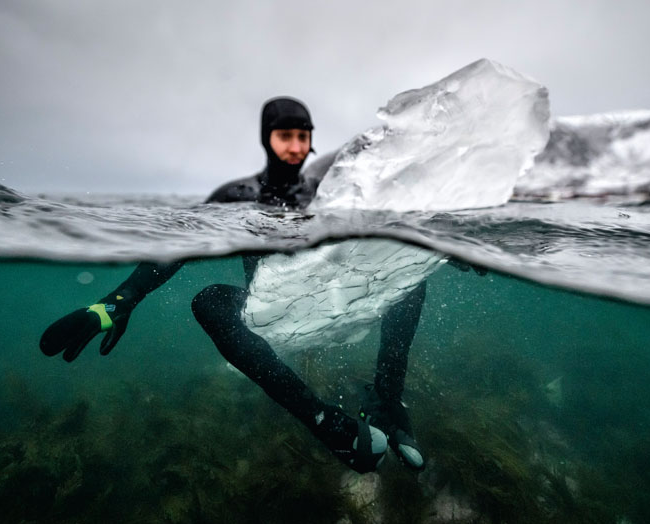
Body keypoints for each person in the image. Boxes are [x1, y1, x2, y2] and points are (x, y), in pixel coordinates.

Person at [41, 97, 447, 474]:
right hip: (276, 314)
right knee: (210, 302)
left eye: (302, 136)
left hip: (335, 300)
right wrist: (122, 298)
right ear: (266, 139)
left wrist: (451, 248)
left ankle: (388, 401)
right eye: (284, 136)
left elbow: (406, 227)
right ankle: (325, 422)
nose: (294, 146)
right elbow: (181, 246)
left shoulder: (329, 191)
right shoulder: (239, 196)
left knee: (406, 273)